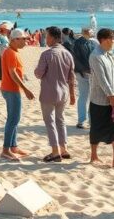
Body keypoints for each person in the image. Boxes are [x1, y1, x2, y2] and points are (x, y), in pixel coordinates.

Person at [34, 26, 75, 162]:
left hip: (49, 92)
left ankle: (55, 151)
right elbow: (72, 76)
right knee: (60, 120)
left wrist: (36, 71)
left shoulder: (47, 54)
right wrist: (73, 94)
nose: (46, 39)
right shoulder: (68, 54)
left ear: (52, 38)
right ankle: (64, 148)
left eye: (47, 36)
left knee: (50, 121)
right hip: (63, 92)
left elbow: (39, 73)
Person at [89, 28, 114, 167]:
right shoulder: (96, 56)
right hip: (99, 100)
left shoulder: (109, 54)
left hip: (112, 99)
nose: (113, 41)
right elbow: (102, 79)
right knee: (96, 128)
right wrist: (111, 95)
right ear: (103, 40)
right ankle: (93, 156)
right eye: (111, 39)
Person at [0, 28, 35, 161]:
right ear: (15, 40)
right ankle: (5, 150)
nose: (26, 41)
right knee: (13, 119)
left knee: (15, 119)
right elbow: (12, 73)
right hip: (11, 89)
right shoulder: (11, 53)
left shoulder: (13, 51)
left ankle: (13, 146)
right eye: (23, 39)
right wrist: (25, 89)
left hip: (10, 88)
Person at [72, 24, 97, 129]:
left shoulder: (91, 43)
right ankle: (83, 120)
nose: (91, 33)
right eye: (90, 32)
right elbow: (75, 58)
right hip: (84, 73)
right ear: (86, 32)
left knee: (87, 97)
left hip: (89, 73)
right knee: (86, 96)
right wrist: (83, 70)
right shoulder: (80, 43)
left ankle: (87, 120)